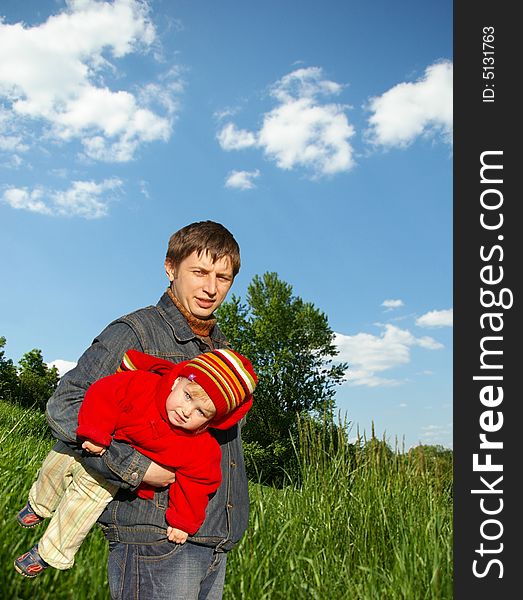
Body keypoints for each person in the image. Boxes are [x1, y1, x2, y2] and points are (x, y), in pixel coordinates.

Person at [39, 221, 249, 599]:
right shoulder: (136, 331)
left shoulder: (225, 356)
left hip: (212, 539)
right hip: (154, 540)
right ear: (170, 268)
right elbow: (66, 405)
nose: (211, 288)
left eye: (224, 277)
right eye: (199, 272)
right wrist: (137, 467)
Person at [15, 347, 257, 579]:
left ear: (212, 421)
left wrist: (183, 520)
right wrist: (96, 430)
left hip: (115, 468)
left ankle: (49, 554)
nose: (186, 410)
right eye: (187, 396)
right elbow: (105, 392)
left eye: (201, 412)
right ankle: (39, 505)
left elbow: (199, 482)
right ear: (177, 381)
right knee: (56, 464)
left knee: (84, 504)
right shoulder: (143, 385)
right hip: (101, 436)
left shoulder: (200, 447)